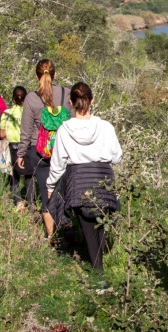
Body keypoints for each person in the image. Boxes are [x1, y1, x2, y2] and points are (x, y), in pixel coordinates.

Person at [45, 82, 122, 271]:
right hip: (103, 177)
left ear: (71, 102)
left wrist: (50, 186)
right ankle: (100, 270)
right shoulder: (105, 127)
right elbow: (117, 156)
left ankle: (98, 272)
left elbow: (58, 163)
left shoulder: (64, 129)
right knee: (100, 224)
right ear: (92, 100)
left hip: (78, 180)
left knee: (87, 228)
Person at [16, 59, 74, 239]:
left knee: (45, 192)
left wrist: (20, 154)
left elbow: (25, 131)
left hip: (38, 151)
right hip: (63, 150)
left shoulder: (31, 98)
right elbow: (73, 124)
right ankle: (67, 227)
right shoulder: (66, 93)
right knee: (64, 191)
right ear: (54, 74)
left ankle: (51, 237)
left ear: (36, 76)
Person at [0, 86, 35, 206]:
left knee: (14, 176)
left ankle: (18, 202)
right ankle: (32, 202)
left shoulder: (7, 113)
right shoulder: (30, 112)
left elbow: (2, 133)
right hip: (28, 146)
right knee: (29, 175)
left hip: (13, 147)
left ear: (13, 98)